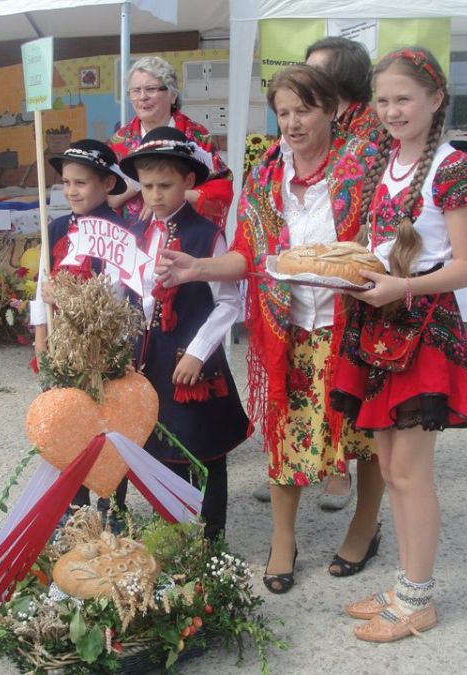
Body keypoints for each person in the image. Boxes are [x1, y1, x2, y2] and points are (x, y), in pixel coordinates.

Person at [156, 65, 380, 592]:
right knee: (285, 435)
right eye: (284, 112)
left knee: (365, 436)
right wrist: (196, 268)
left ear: (331, 110)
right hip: (289, 330)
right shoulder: (265, 175)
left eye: (304, 110)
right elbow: (248, 255)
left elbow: (400, 230)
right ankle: (284, 539)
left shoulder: (364, 167)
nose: (293, 122)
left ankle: (365, 525)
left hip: (355, 326)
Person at [330, 47, 467, 642]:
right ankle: (403, 584)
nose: (392, 110)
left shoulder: (454, 167)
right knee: (391, 466)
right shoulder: (384, 164)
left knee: (413, 472)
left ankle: (418, 599)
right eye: (384, 99)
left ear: (435, 100)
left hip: (424, 331)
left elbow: (466, 266)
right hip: (379, 325)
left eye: (404, 98)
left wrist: (404, 285)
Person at [117, 126, 250, 540]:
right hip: (149, 357)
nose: (154, 196)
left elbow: (230, 301)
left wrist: (197, 352)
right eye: (148, 186)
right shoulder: (137, 232)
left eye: (165, 185)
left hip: (193, 358)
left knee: (203, 444)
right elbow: (128, 287)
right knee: (160, 444)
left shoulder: (206, 234)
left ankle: (211, 537)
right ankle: (172, 530)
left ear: (189, 182)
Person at [27, 139, 132, 513]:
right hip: (62, 348)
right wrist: (41, 340)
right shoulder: (55, 228)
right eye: (66, 182)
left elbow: (115, 298)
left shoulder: (119, 233)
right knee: (67, 428)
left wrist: (67, 299)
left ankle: (111, 509)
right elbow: (41, 289)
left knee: (105, 430)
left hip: (101, 349)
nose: (71, 190)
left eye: (81, 183)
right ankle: (75, 510)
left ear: (106, 185)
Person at [108, 56, 233, 227]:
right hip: (131, 239)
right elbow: (106, 195)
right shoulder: (119, 141)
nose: (142, 97)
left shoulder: (195, 136)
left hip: (187, 233)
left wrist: (179, 197)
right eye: (135, 91)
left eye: (151, 89)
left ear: (173, 95)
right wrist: (134, 186)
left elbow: (222, 187)